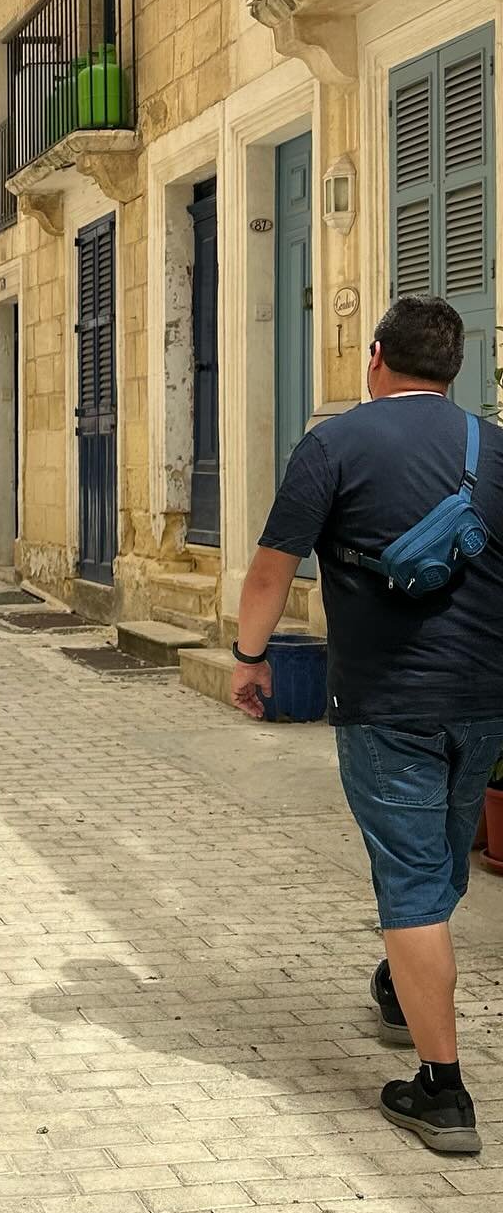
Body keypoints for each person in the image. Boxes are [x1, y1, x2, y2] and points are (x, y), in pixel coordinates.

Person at [232, 295, 503, 1156]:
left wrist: (250, 656)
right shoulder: (493, 446)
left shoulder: (334, 445)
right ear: (452, 368)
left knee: (413, 881)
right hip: (487, 702)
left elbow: (272, 568)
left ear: (376, 356)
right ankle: (402, 984)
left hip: (387, 703)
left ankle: (444, 1090)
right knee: (440, 856)